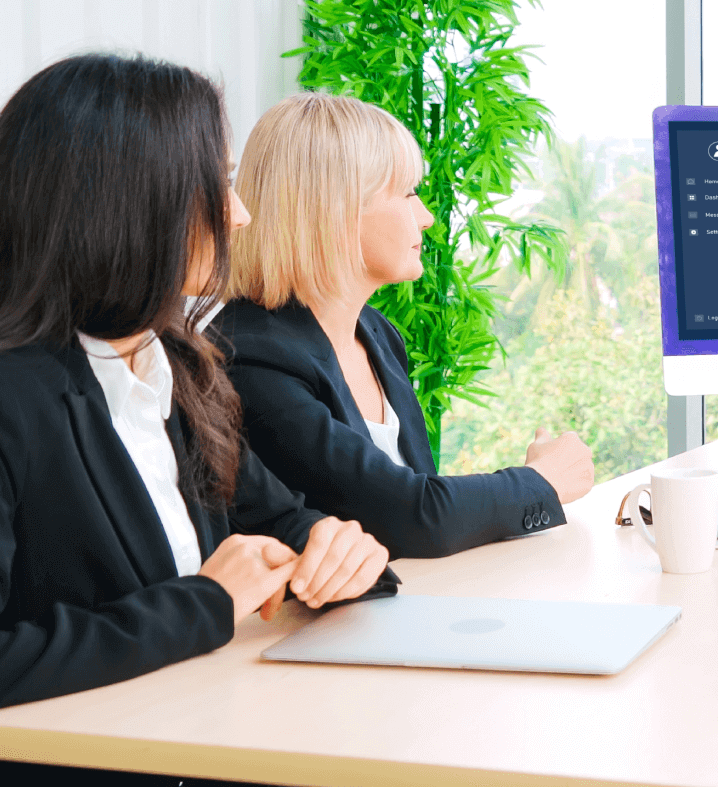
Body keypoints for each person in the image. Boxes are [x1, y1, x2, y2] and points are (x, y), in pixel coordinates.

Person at [0, 54, 393, 713]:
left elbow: (281, 519)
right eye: (216, 184)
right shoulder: (17, 397)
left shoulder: (176, 368)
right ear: (129, 205)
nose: (238, 215)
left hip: (216, 730)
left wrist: (336, 549)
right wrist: (203, 606)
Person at [212, 93, 595, 560]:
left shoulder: (375, 333)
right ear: (334, 209)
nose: (427, 217)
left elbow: (420, 495)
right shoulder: (249, 357)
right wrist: (542, 481)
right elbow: (410, 515)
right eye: (408, 193)